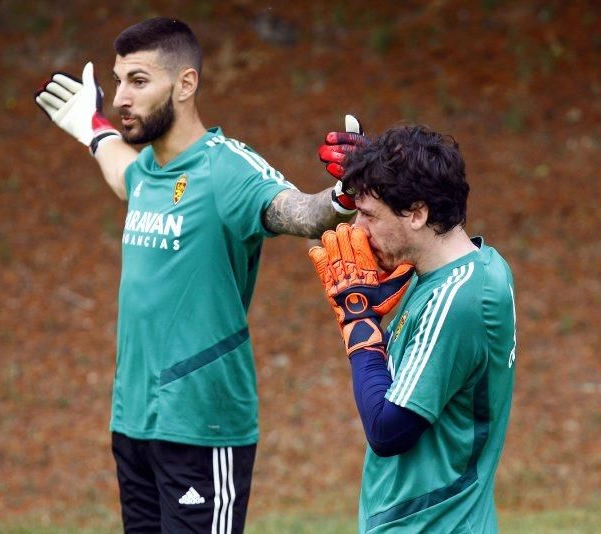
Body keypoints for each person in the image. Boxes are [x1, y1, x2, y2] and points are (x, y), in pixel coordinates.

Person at [34, 17, 363, 534]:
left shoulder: (226, 169)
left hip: (202, 428)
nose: (121, 96)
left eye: (138, 81)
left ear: (185, 84)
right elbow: (121, 170)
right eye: (118, 80)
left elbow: (296, 211)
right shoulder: (148, 173)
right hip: (134, 423)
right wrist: (90, 127)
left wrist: (342, 197)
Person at [308, 124, 517, 532]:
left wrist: (358, 321)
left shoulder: (457, 299)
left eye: (368, 215)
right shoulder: (471, 266)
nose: (359, 231)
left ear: (417, 213)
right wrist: (380, 173)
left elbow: (389, 431)